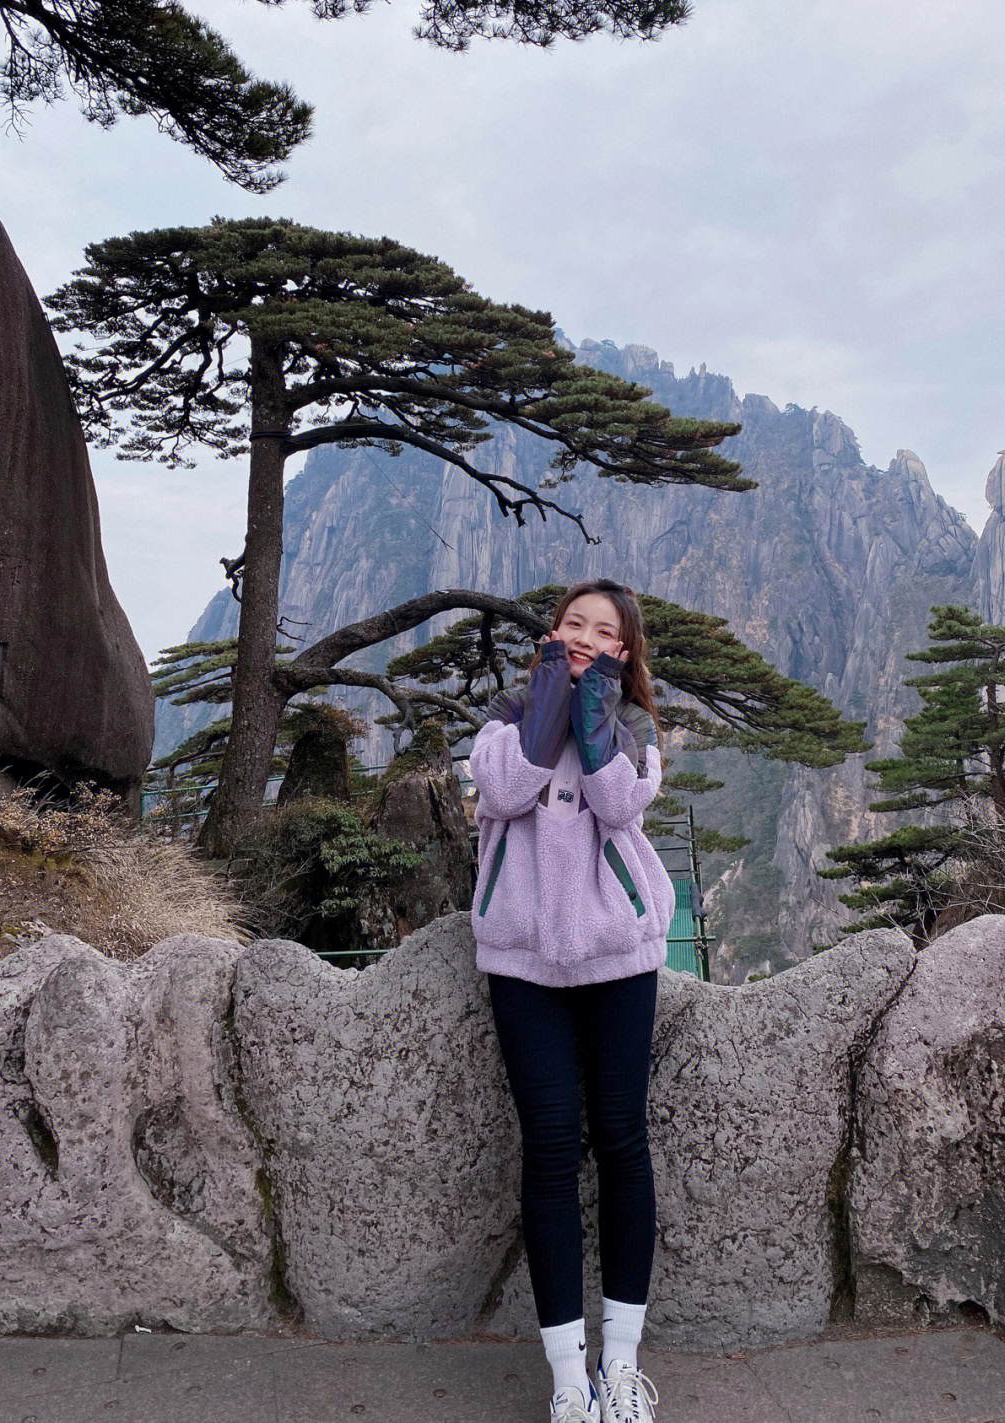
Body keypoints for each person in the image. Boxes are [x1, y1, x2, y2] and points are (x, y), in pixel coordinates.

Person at [469, 579, 675, 1423]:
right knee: (549, 1149)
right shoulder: (506, 717)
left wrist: (594, 713)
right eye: (575, 625)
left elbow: (620, 800)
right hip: (523, 963)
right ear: (552, 634)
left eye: (607, 633)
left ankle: (621, 1361)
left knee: (623, 1141)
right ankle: (567, 1374)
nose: (589, 636)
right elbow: (505, 789)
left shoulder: (634, 733)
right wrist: (552, 702)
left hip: (618, 957)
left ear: (625, 656)